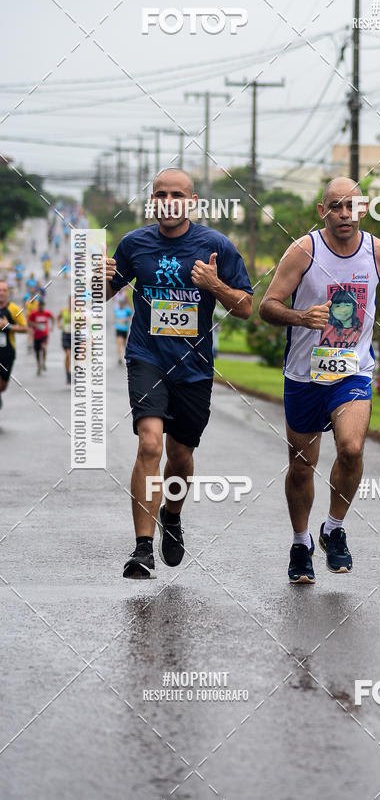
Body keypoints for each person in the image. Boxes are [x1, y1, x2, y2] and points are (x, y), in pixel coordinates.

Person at [101, 168, 253, 579]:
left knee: (180, 456)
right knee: (149, 443)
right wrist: (95, 276)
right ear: (153, 200)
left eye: (176, 194)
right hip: (146, 357)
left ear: (192, 201)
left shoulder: (215, 245)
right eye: (160, 194)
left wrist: (215, 284)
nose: (168, 200)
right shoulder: (135, 243)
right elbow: (101, 293)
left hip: (193, 367)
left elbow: (245, 307)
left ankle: (172, 514)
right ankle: (141, 548)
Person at [259, 177, 380, 585]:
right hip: (304, 375)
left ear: (363, 209)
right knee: (303, 467)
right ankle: (301, 542)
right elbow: (267, 307)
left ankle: (333, 527)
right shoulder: (304, 251)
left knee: (352, 448)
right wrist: (300, 317)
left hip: (352, 371)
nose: (345, 213)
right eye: (336, 206)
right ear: (322, 211)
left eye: (352, 206)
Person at [0, 280, 28, 409]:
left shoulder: (14, 309)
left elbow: (25, 328)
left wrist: (8, 326)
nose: (1, 293)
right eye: (0, 290)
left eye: (4, 290)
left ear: (8, 292)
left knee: (2, 386)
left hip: (7, 352)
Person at [28, 297, 54, 375]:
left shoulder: (47, 313)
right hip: (36, 335)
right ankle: (39, 365)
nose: (41, 307)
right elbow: (29, 321)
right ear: (38, 306)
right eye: (40, 306)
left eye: (42, 306)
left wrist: (52, 326)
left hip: (44, 334)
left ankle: (44, 362)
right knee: (37, 352)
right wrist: (34, 325)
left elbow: (52, 318)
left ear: (44, 306)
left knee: (44, 347)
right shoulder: (34, 313)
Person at [114, 292, 133, 364]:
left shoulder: (127, 310)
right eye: (119, 304)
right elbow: (115, 318)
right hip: (118, 329)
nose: (120, 305)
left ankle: (126, 357)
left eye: (121, 304)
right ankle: (119, 358)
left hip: (125, 329)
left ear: (123, 304)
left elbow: (131, 317)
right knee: (119, 343)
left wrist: (127, 320)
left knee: (124, 344)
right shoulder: (116, 310)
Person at [57, 297, 72, 385]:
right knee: (67, 354)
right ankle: (68, 375)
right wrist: (59, 324)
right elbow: (58, 318)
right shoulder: (64, 310)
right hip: (66, 334)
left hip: (75, 335)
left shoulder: (79, 311)